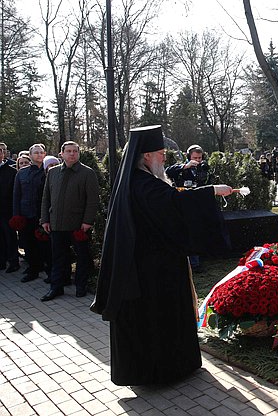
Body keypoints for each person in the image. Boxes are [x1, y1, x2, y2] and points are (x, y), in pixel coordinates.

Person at [90, 125, 232, 386]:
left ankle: (171, 367)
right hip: (152, 270)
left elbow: (168, 199)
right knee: (157, 319)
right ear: (146, 156)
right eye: (161, 153)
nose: (165, 157)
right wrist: (211, 190)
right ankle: (165, 371)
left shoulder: (139, 180)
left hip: (153, 263)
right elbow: (174, 204)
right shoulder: (142, 183)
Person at [40, 141, 99, 301]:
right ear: (62, 154)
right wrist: (45, 219)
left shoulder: (87, 173)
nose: (72, 154)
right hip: (57, 223)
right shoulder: (52, 173)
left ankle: (81, 286)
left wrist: (87, 221)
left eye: (75, 151)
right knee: (58, 257)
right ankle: (56, 287)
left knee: (82, 257)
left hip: (79, 225)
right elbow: (46, 198)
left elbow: (93, 200)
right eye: (69, 151)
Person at [13, 144, 47, 281]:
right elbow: (16, 195)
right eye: (36, 153)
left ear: (44, 154)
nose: (39, 155)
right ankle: (33, 270)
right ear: (31, 155)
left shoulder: (49, 172)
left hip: (41, 215)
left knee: (43, 245)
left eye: (41, 152)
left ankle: (46, 269)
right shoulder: (22, 173)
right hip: (25, 214)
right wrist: (16, 215)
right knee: (28, 244)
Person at [0, 144, 19, 273]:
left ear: (3, 154)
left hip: (7, 210)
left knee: (10, 237)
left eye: (0, 151)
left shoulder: (12, 171)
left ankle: (14, 262)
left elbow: (15, 193)